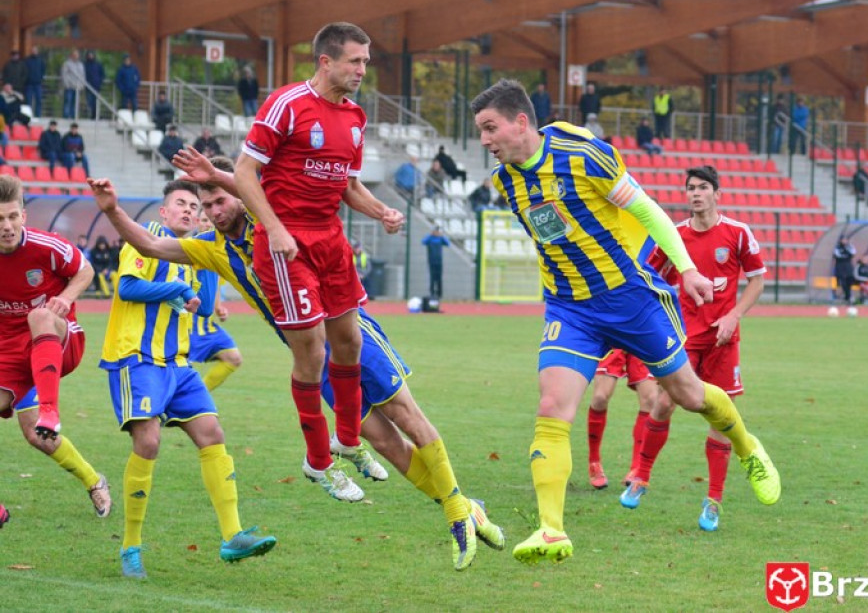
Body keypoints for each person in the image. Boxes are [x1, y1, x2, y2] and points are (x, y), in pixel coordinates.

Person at [90, 160, 504, 572]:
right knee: (383, 441)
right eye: (207, 206)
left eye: (219, 200)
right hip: (311, 356)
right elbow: (150, 246)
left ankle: (456, 512)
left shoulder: (267, 215)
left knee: (406, 415)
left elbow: (259, 188)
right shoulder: (212, 248)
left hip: (343, 330)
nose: (214, 212)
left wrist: (221, 176)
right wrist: (111, 209)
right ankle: (467, 508)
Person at [470, 79, 780, 564]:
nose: (485, 141)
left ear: (520, 121)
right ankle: (551, 530)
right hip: (570, 309)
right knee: (553, 405)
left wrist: (689, 269)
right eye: (481, 132)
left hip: (629, 299)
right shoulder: (505, 181)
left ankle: (747, 445)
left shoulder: (582, 153)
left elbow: (647, 211)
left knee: (689, 395)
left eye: (490, 128)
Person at [232, 24, 417, 529]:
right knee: (311, 351)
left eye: (365, 62)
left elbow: (347, 185)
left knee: (351, 343)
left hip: (329, 239)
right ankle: (318, 461)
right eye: (354, 62)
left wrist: (381, 210)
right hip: (286, 243)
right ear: (325, 61)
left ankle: (349, 442)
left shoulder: (355, 117)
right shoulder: (286, 104)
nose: (362, 71)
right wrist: (273, 230)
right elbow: (244, 172)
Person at [97, 179, 276, 578]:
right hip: (135, 357)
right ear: (163, 212)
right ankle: (130, 546)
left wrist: (210, 259)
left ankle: (232, 536)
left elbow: (207, 305)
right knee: (149, 441)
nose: (189, 211)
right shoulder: (149, 238)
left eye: (195, 207)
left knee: (212, 433)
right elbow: (127, 287)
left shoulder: (194, 250)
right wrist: (175, 286)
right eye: (180, 204)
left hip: (177, 362)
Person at [628, 165, 767, 534]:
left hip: (724, 340)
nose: (695, 193)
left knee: (722, 419)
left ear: (717, 193)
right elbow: (647, 277)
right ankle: (641, 477)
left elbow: (758, 280)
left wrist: (734, 315)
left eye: (703, 187)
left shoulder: (737, 234)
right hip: (685, 340)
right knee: (662, 403)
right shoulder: (673, 237)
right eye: (690, 188)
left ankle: (713, 501)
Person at [0, 174, 112, 520]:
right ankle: (95, 481)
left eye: (12, 216)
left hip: (59, 338)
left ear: (23, 216)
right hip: (11, 354)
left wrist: (64, 298)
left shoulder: (46, 247)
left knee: (39, 316)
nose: (6, 226)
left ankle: (51, 409)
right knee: (37, 437)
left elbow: (85, 270)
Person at [585, 349, 658, 490]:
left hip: (640, 333)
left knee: (650, 400)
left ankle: (636, 468)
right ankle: (594, 462)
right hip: (613, 332)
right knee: (600, 397)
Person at [190, 209, 242, 393]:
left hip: (207, 324)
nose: (208, 224)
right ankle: (178, 405)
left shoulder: (219, 250)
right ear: (197, 222)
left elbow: (213, 284)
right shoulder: (189, 249)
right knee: (180, 369)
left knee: (233, 358)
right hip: (187, 323)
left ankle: (196, 398)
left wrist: (219, 306)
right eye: (204, 220)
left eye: (211, 220)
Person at [422, 224, 450, 299]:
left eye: (437, 230)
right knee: (432, 278)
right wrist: (430, 235)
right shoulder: (430, 238)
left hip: (439, 261)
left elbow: (448, 243)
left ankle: (439, 294)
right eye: (435, 230)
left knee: (439, 278)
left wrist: (442, 236)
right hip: (431, 261)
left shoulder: (440, 238)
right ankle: (432, 293)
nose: (436, 232)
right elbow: (423, 242)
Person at [60, 49, 85, 119]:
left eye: (77, 55)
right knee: (68, 102)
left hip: (77, 87)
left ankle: (74, 116)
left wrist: (82, 85)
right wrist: (67, 84)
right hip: (69, 87)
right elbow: (64, 75)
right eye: (74, 55)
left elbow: (82, 75)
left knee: (75, 103)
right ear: (71, 55)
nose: (76, 56)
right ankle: (66, 116)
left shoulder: (80, 65)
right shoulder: (66, 64)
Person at [832, 235, 856, 304]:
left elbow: (853, 253)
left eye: (846, 240)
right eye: (843, 240)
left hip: (848, 265)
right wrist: (846, 253)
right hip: (840, 265)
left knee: (850, 279)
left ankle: (847, 296)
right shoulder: (837, 247)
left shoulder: (849, 246)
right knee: (843, 281)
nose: (845, 241)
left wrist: (846, 251)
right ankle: (848, 297)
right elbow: (837, 255)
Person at [25, 46, 45, 118]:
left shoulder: (41, 60)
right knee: (28, 100)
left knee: (39, 100)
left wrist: (41, 79)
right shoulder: (27, 60)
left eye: (35, 50)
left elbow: (43, 70)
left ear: (37, 51)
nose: (34, 52)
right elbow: (25, 71)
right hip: (29, 84)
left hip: (38, 84)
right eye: (33, 50)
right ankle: (28, 115)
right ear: (31, 51)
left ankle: (38, 115)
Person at [83, 51, 105, 119]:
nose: (90, 56)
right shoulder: (85, 65)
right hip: (88, 86)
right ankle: (92, 114)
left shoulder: (98, 64)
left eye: (91, 55)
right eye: (89, 55)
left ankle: (95, 115)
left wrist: (99, 82)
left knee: (96, 102)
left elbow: (102, 74)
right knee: (90, 102)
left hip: (96, 86)